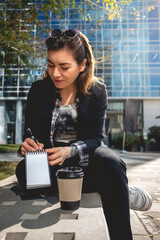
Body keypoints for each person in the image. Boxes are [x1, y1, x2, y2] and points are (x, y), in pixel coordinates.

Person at [16, 29, 151, 240]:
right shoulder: (38, 89)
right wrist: (28, 144)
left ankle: (118, 196)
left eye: (64, 67)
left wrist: (69, 150)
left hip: (88, 160)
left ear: (83, 65)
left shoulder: (97, 90)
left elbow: (96, 138)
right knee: (25, 174)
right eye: (51, 65)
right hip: (51, 164)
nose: (55, 74)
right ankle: (119, 189)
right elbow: (30, 132)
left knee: (112, 164)